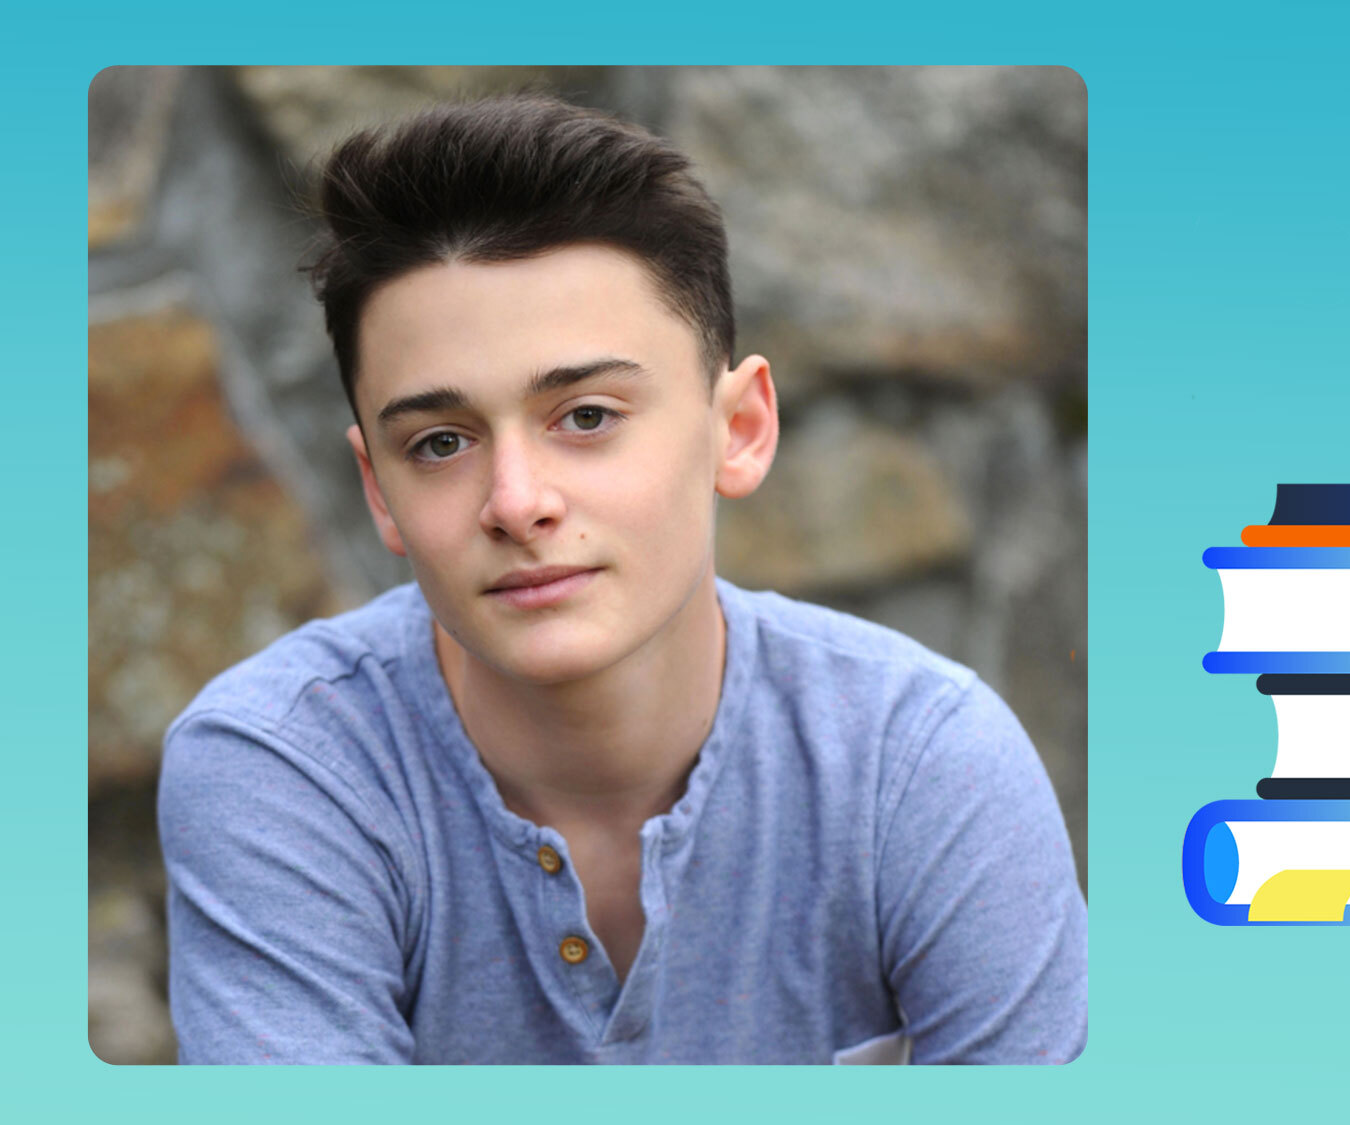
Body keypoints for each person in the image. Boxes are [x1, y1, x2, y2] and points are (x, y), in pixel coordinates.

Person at [156, 94, 1087, 1065]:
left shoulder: (916, 760)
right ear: (378, 492)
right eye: (438, 442)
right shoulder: (284, 772)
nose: (515, 502)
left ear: (739, 429)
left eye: (587, 416)